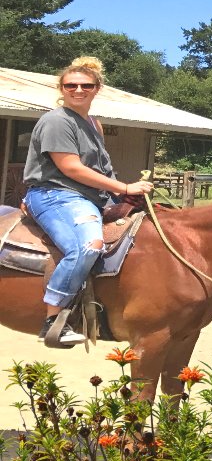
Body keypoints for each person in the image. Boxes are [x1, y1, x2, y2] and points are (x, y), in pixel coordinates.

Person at [23, 57, 154, 348]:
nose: (78, 90)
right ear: (61, 88)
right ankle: (53, 320)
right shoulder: (57, 121)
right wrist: (123, 187)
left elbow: (101, 167)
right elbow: (71, 168)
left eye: (86, 85)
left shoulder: (94, 123)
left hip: (89, 196)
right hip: (55, 194)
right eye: (71, 85)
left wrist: (122, 195)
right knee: (88, 245)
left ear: (97, 88)